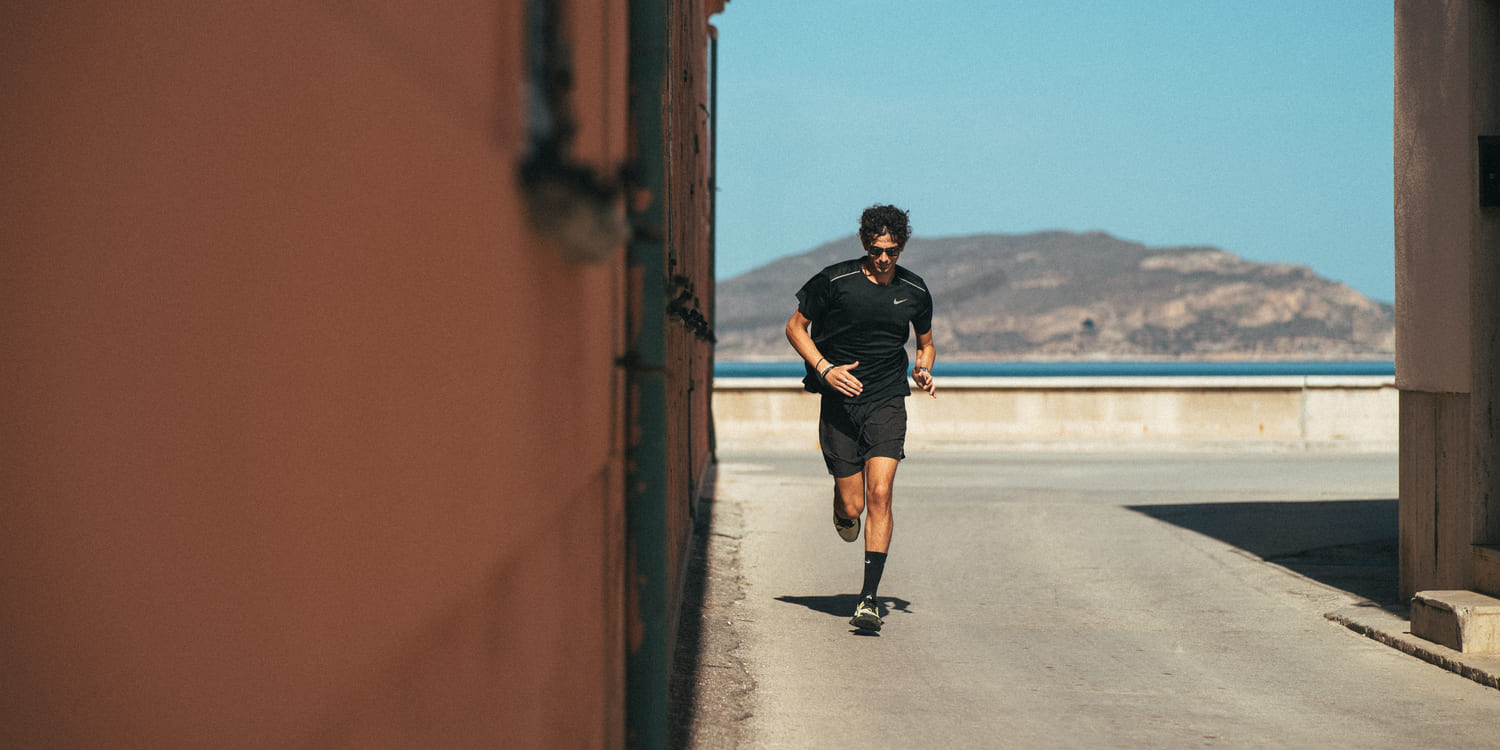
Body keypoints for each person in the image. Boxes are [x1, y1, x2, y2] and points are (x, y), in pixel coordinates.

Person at [784, 204, 936, 631]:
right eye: (875, 249)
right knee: (853, 504)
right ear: (863, 244)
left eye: (891, 250)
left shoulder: (916, 290)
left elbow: (926, 343)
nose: (883, 258)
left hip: (888, 398)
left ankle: (868, 599)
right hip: (840, 402)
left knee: (881, 494)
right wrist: (825, 369)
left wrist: (923, 368)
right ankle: (842, 510)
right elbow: (795, 327)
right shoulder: (834, 281)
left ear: (902, 246)